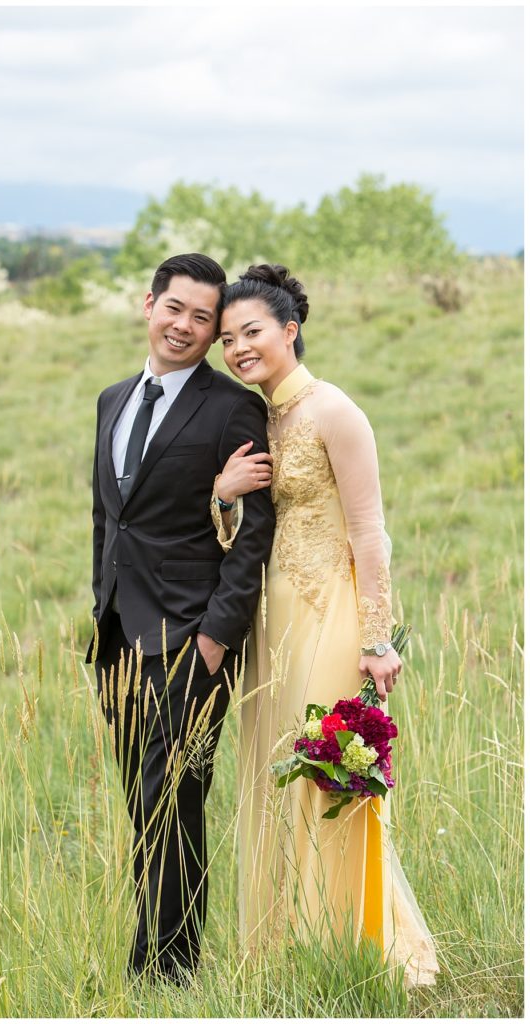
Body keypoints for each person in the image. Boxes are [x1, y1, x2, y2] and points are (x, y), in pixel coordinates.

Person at [212, 263, 439, 987]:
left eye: (251, 332)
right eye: (227, 339)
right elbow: (250, 527)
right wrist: (223, 497)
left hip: (331, 614)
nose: (239, 348)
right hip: (271, 618)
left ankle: (355, 945)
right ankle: (287, 948)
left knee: (324, 775)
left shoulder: (334, 410)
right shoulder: (262, 417)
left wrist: (377, 637)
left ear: (290, 330)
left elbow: (371, 531)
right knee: (277, 775)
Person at [86, 253, 275, 982]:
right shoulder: (111, 400)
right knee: (144, 805)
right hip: (118, 640)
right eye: (177, 309)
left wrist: (215, 641)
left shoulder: (233, 408)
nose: (187, 327)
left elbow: (253, 533)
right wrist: (100, 610)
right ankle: (158, 956)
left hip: (190, 643)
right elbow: (110, 521)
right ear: (149, 304)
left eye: (204, 318)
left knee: (175, 806)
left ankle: (167, 971)